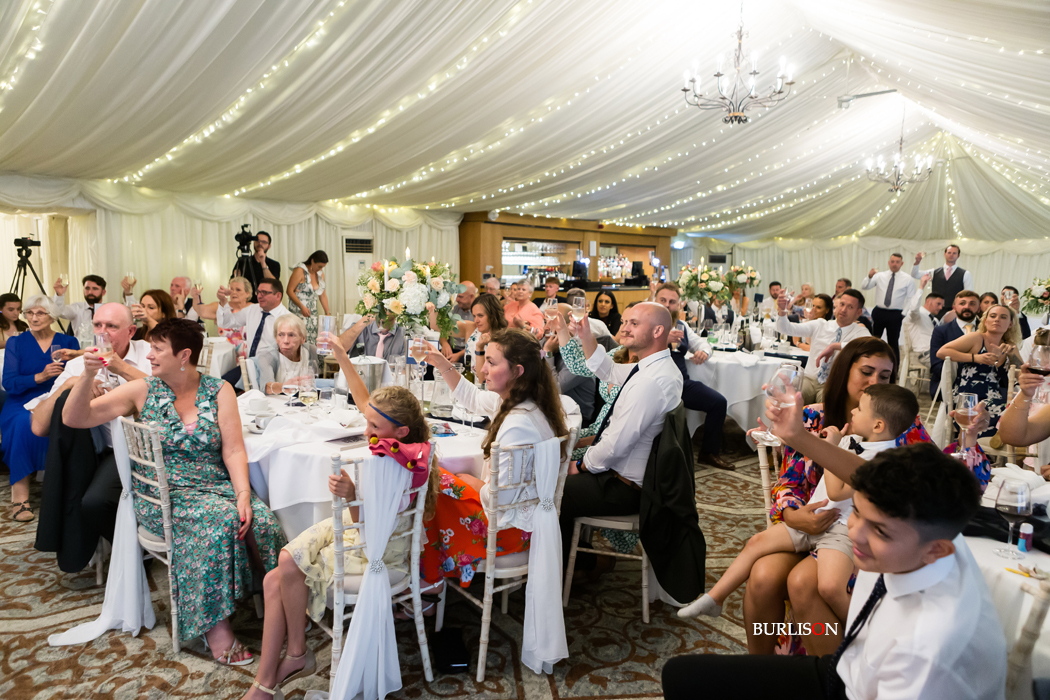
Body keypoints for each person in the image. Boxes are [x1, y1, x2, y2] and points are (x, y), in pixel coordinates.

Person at [662, 443, 1006, 700]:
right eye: (856, 513)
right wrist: (798, 435)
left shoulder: (926, 650)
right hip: (851, 669)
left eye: (880, 531)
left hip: (861, 689)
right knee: (682, 674)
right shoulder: (925, 531)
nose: (855, 534)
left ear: (937, 550)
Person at [62, 319, 286, 664]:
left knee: (264, 522)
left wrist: (243, 493)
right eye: (150, 348)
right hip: (166, 495)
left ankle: (280, 604)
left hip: (216, 485)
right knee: (218, 523)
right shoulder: (142, 390)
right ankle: (214, 626)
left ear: (184, 355)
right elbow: (75, 418)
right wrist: (88, 375)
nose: (149, 355)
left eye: (157, 349)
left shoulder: (219, 390)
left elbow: (233, 450)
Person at [242, 330, 438, 699]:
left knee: (278, 574)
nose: (367, 431)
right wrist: (342, 357)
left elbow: (372, 530)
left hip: (376, 545)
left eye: (374, 427)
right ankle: (282, 667)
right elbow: (366, 402)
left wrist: (352, 495)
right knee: (278, 570)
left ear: (400, 430)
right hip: (361, 525)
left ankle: (285, 665)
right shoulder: (402, 443)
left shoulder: (393, 463)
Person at [740, 338, 934, 656]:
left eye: (884, 376)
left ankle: (835, 672)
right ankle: (759, 668)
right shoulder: (812, 418)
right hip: (810, 526)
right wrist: (792, 513)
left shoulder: (901, 426)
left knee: (803, 583)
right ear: (844, 372)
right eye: (866, 372)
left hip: (860, 537)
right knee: (763, 575)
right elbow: (789, 483)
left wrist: (968, 438)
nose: (874, 381)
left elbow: (936, 478)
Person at [680, 384, 918, 626]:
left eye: (860, 409)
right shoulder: (853, 439)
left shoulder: (882, 460)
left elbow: (836, 492)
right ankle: (715, 599)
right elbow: (808, 448)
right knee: (756, 542)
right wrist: (781, 436)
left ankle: (864, 631)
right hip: (813, 515)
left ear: (878, 425)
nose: (853, 411)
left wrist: (831, 448)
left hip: (841, 530)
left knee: (830, 587)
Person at [420, 328, 568, 587]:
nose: (483, 370)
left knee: (430, 478)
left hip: (508, 531)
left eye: (491, 362)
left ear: (517, 371)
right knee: (444, 479)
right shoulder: (525, 403)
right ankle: (431, 577)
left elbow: (501, 499)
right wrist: (442, 364)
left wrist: (475, 483)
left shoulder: (518, 423)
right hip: (520, 520)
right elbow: (473, 398)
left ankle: (429, 581)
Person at [558, 303, 682, 568]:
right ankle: (575, 561)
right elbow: (609, 371)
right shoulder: (653, 366)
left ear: (658, 331)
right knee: (555, 479)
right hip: (623, 476)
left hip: (623, 486)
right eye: (624, 322)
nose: (624, 328)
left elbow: (614, 447)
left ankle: (574, 567)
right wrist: (586, 334)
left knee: (552, 491)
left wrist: (579, 465)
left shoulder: (650, 381)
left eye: (634, 323)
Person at [29, 303, 151, 566]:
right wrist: (73, 384)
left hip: (145, 448)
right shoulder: (78, 365)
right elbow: (39, 426)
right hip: (101, 451)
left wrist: (121, 368)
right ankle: (133, 550)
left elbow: (171, 396)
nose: (102, 333)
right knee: (90, 501)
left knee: (97, 501)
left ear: (131, 331)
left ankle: (140, 549)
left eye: (112, 326)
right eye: (98, 325)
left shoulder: (149, 353)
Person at [1, 296, 79, 521]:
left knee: (68, 420)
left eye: (40, 313)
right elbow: (9, 383)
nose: (34, 318)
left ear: (52, 316)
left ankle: (66, 490)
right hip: (21, 400)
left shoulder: (68, 342)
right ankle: (20, 495)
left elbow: (77, 374)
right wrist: (40, 376)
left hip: (58, 398)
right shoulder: (16, 343)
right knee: (21, 422)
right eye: (29, 313)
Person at [652, 283, 733, 470]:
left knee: (718, 402)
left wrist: (704, 352)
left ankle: (708, 453)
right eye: (663, 300)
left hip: (680, 384)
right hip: (655, 385)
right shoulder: (646, 323)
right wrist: (663, 340)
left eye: (672, 302)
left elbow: (703, 344)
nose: (667, 305)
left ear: (678, 305)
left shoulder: (682, 326)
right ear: (655, 300)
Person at [936, 303, 1023, 438]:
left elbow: (1022, 376)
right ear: (986, 320)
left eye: (1003, 317)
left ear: (1010, 324)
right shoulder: (976, 338)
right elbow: (942, 352)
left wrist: (1012, 356)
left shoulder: (1010, 346)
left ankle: (996, 441)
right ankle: (983, 443)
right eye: (993, 316)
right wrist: (975, 358)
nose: (997, 320)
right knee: (988, 416)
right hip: (968, 397)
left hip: (996, 397)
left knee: (1018, 413)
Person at [776, 288, 870, 405]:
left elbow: (873, 347)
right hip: (809, 379)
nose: (843, 310)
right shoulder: (820, 324)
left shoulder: (859, 332)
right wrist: (782, 310)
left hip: (833, 383)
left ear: (858, 312)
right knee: (787, 399)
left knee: (829, 408)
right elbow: (786, 329)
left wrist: (836, 346)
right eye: (842, 304)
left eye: (850, 307)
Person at [217, 278, 290, 387]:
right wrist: (223, 302)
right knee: (220, 386)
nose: (259, 296)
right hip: (249, 366)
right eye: (258, 292)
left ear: (278, 296)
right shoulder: (252, 310)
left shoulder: (287, 319)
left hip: (273, 371)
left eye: (264, 292)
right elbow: (226, 323)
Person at [543, 304, 596, 418]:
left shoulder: (581, 353)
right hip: (551, 410)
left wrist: (547, 353)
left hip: (575, 416)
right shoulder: (548, 341)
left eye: (551, 321)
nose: (546, 327)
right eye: (545, 321)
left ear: (565, 325)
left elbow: (555, 389)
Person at [861, 253, 915, 357]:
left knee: (893, 342)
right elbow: (864, 287)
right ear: (889, 263)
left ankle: (894, 365)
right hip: (879, 311)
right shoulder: (880, 276)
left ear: (902, 263)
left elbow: (911, 298)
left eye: (897, 262)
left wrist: (903, 314)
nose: (894, 264)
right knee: (874, 339)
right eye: (892, 261)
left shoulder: (908, 279)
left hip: (895, 314)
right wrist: (869, 277)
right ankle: (871, 360)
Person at [928, 289, 980, 398]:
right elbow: (936, 365)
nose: (967, 307)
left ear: (979, 308)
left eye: (972, 304)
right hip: (950, 383)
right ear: (954, 308)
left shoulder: (986, 331)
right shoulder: (941, 331)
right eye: (962, 303)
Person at [255, 315, 319, 395]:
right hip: (277, 400)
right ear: (276, 338)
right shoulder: (267, 355)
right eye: (281, 335)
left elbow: (314, 380)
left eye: (291, 335)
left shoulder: (310, 351)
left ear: (303, 339)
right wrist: (284, 386)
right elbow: (266, 387)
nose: (285, 341)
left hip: (303, 398)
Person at [912, 245, 973, 317]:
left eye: (954, 253)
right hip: (935, 310)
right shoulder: (933, 272)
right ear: (944, 254)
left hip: (954, 311)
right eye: (949, 252)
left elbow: (968, 294)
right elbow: (915, 274)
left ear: (958, 256)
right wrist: (917, 262)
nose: (951, 255)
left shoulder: (965, 274)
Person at [286, 250, 331, 344]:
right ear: (312, 261)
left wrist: (327, 312)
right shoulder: (300, 270)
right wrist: (301, 306)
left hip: (312, 314)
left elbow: (322, 294)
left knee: (311, 341)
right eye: (319, 266)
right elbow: (289, 291)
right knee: (298, 339)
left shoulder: (320, 274)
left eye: (323, 267)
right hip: (298, 312)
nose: (321, 269)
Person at [901, 283, 944, 367]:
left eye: (942, 305)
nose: (941, 308)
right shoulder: (917, 315)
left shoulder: (935, 320)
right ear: (928, 301)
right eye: (938, 304)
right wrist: (921, 287)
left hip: (937, 352)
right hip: (925, 354)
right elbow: (914, 308)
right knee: (948, 368)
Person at [232, 231, 281, 302]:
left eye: (264, 242)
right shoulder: (243, 261)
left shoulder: (274, 264)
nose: (260, 243)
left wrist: (263, 263)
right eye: (257, 240)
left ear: (269, 246)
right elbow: (233, 283)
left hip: (266, 303)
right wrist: (236, 278)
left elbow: (273, 284)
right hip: (246, 303)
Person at [341, 312, 405, 364]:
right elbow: (338, 351)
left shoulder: (404, 335)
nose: (385, 313)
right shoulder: (360, 328)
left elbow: (405, 369)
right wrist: (362, 323)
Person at [437, 281, 477, 361]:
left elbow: (475, 344)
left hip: (470, 353)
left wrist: (458, 355)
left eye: (460, 297)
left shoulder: (478, 314)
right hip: (452, 350)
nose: (457, 299)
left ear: (471, 297)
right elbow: (443, 332)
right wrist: (444, 343)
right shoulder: (453, 310)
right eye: (457, 296)